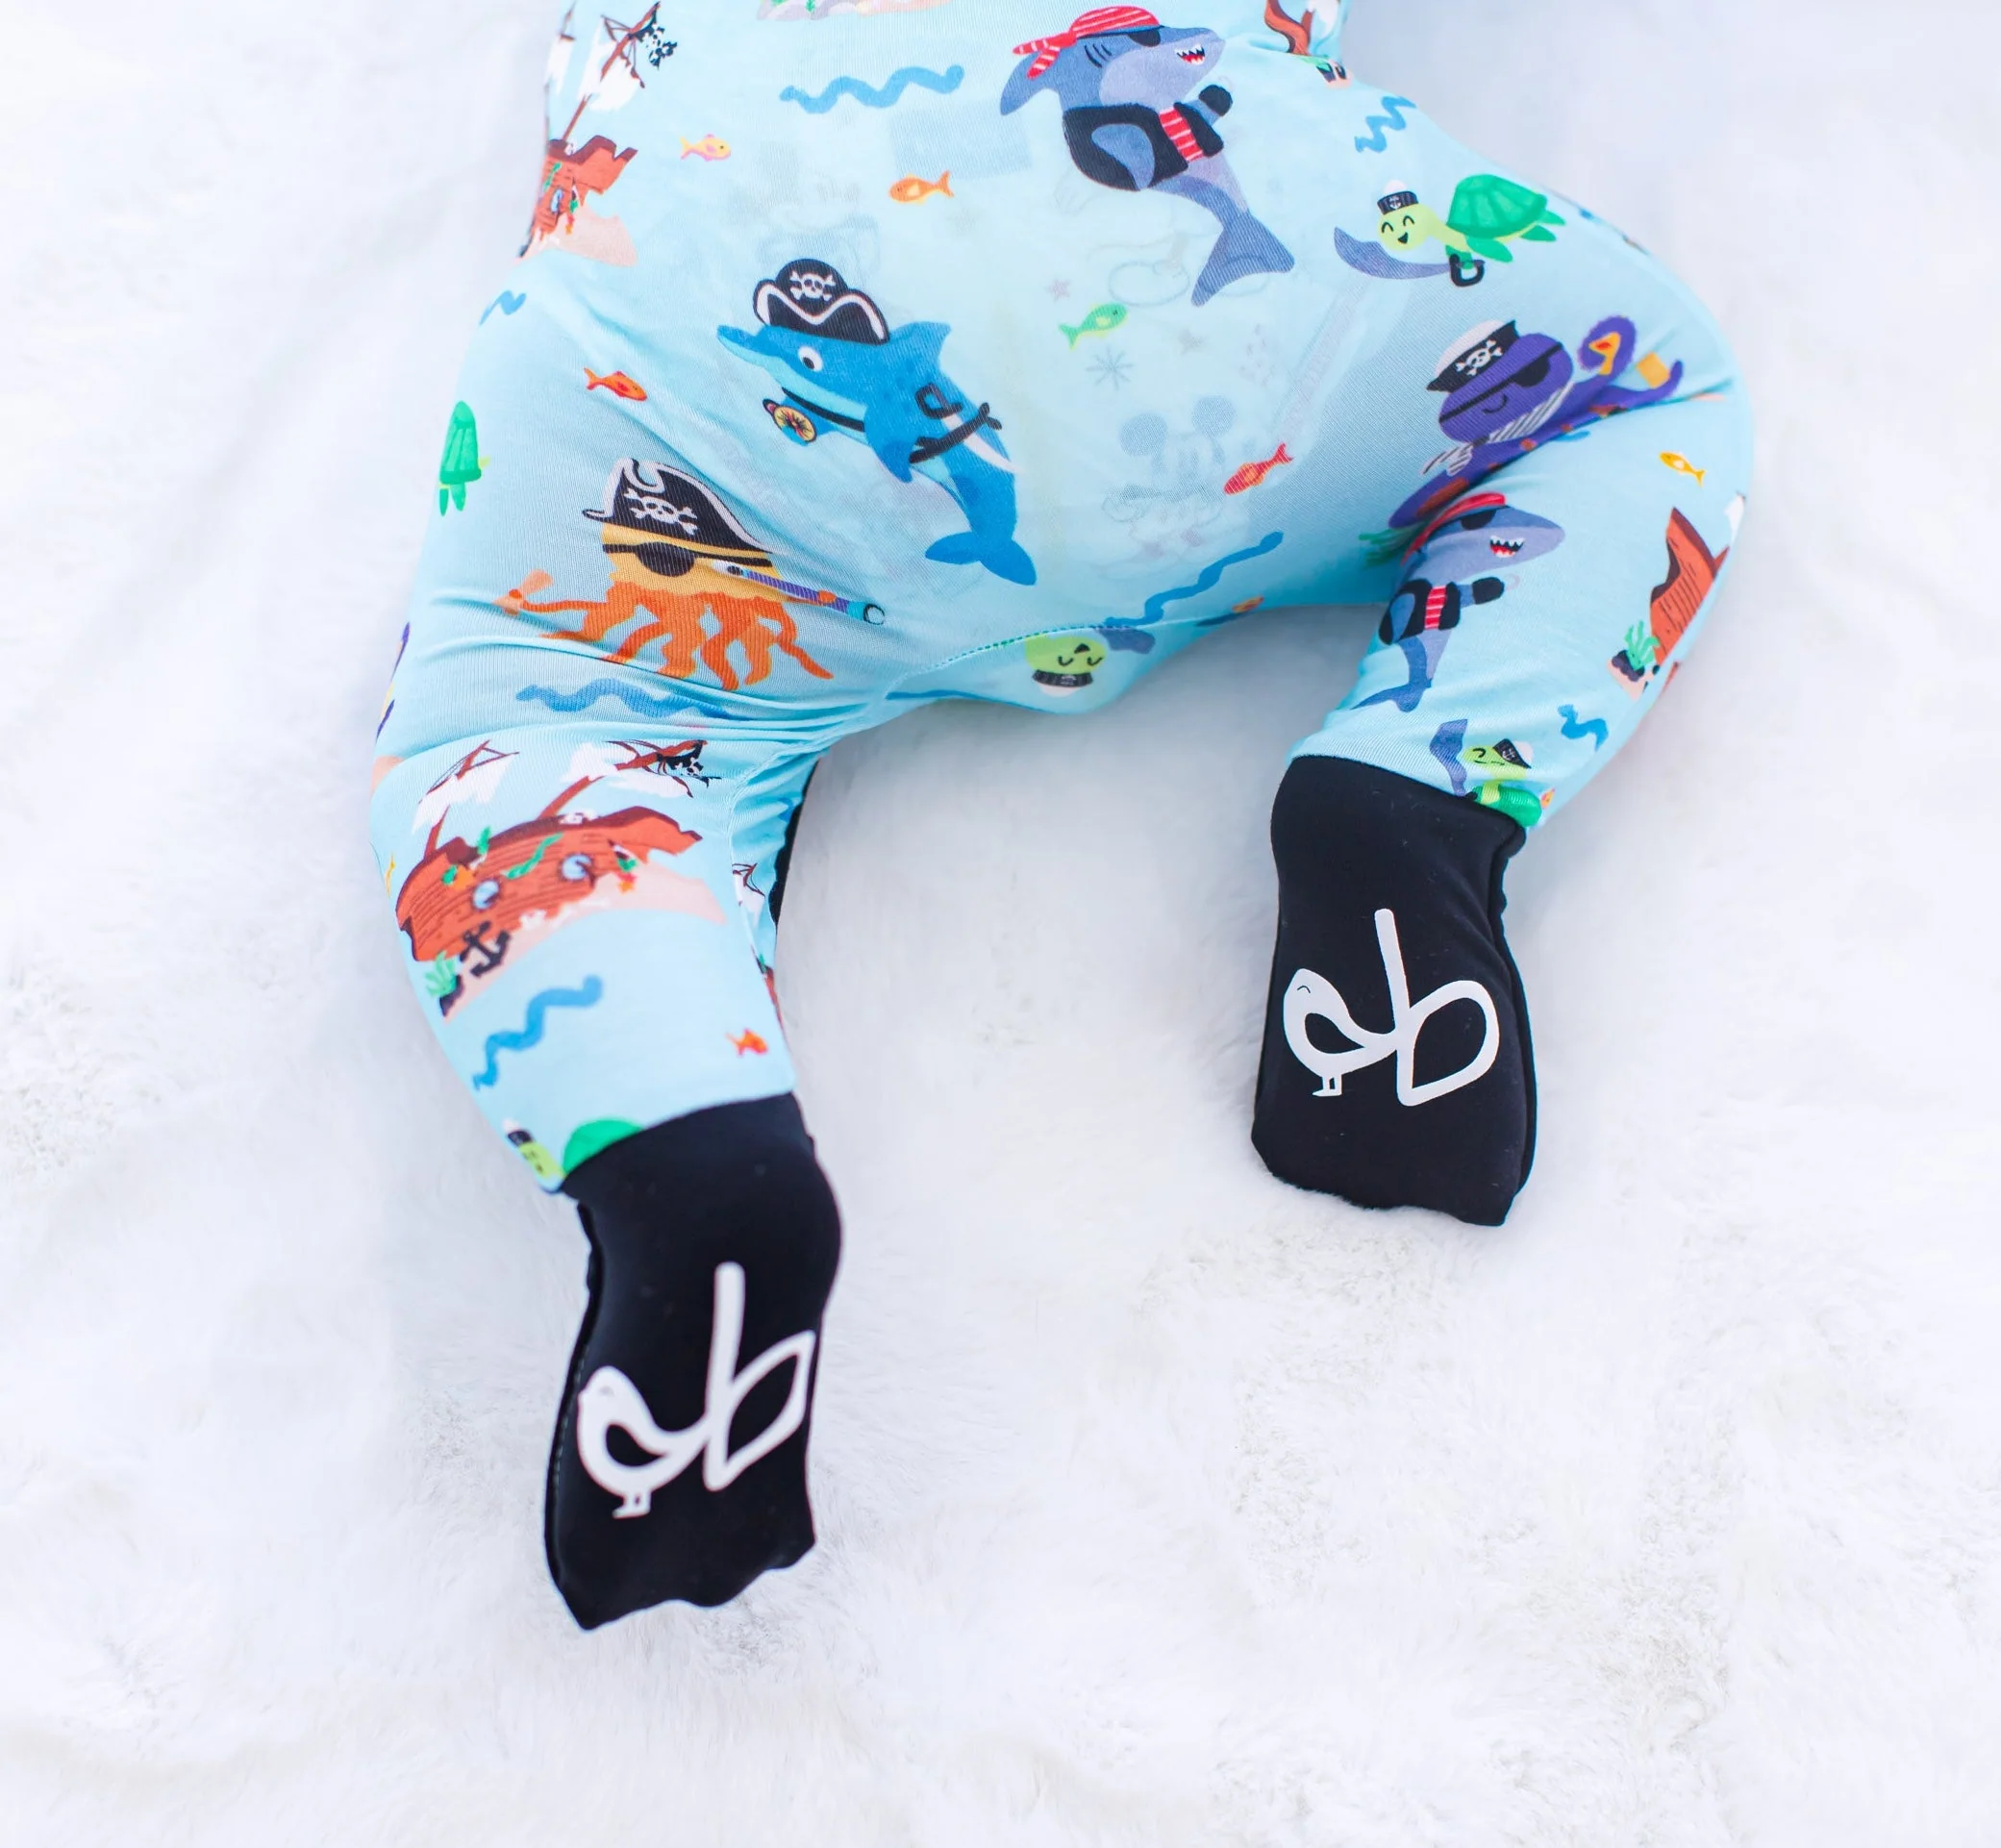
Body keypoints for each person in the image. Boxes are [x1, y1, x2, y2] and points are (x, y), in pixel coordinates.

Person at [369, 0, 1750, 1627]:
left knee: (536, 733)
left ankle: (689, 1164)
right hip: (1207, 303)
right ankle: (1412, 807)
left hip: (706, 311)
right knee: (1639, 401)